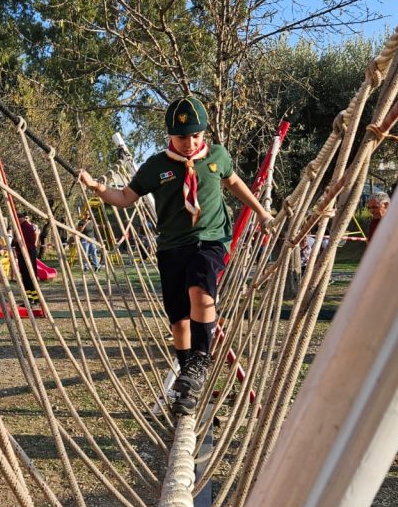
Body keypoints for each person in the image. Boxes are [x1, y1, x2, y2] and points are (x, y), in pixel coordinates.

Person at [79, 96, 271, 415]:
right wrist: (98, 188)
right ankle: (187, 381)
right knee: (179, 322)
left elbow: (235, 182)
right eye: (183, 136)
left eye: (196, 135)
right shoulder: (156, 166)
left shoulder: (217, 157)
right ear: (170, 135)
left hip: (210, 240)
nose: (190, 142)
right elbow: (126, 197)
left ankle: (200, 362)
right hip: (171, 246)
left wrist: (262, 213)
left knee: (201, 291)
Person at [14, 214, 38, 297]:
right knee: (26, 276)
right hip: (24, 253)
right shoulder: (22, 227)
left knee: (28, 275)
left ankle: (33, 297)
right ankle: (30, 297)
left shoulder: (26, 227)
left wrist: (17, 241)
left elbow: (24, 241)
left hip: (27, 253)